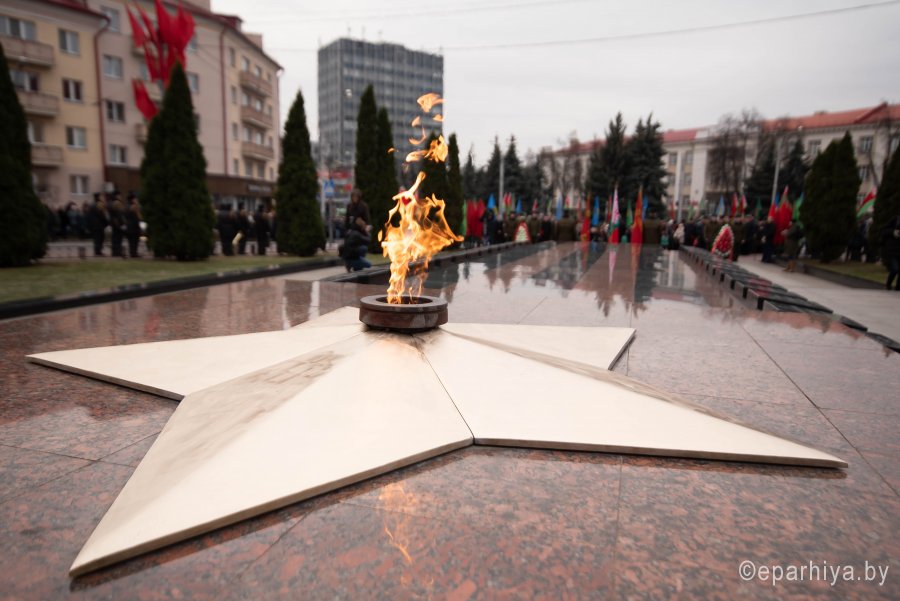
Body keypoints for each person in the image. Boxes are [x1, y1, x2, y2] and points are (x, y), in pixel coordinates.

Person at [882, 214, 900, 290]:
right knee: (895, 269)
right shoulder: (896, 219)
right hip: (893, 249)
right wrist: (893, 232)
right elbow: (884, 231)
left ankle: (898, 287)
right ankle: (888, 284)